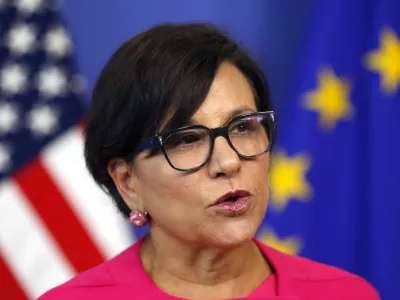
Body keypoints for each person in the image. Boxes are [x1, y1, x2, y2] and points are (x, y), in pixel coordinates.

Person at [38, 23, 380, 300]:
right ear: (128, 182)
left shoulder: (346, 294)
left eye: (243, 127)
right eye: (187, 139)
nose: (228, 162)